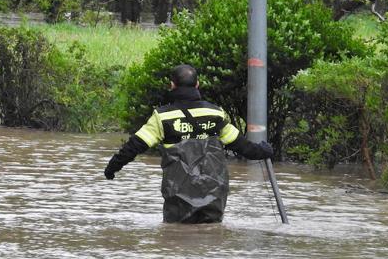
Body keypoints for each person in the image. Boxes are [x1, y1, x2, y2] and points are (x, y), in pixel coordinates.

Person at [104, 64, 273, 223]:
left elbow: (134, 146)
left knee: (176, 234)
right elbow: (241, 145)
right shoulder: (215, 113)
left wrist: (112, 168)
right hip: (213, 194)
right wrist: (263, 150)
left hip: (178, 195)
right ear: (197, 85)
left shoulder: (162, 117)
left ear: (172, 85)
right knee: (211, 235)